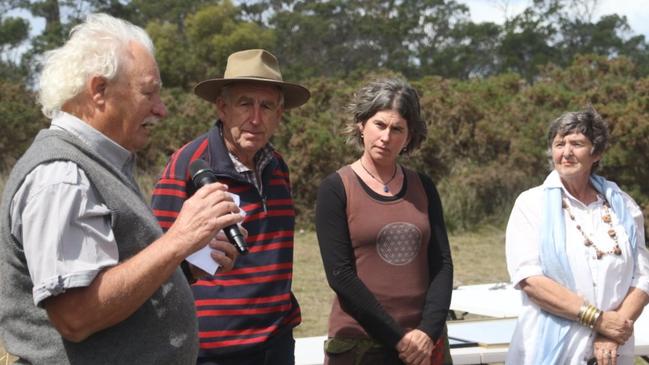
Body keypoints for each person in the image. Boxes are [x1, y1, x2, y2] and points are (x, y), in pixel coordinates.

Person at [0, 13, 243, 364]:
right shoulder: (62, 176)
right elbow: (76, 316)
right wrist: (179, 239)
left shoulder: (100, 162)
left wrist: (186, 264)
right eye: (149, 93)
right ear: (99, 90)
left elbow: (114, 278)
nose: (160, 110)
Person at [151, 49, 310, 364]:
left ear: (280, 114)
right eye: (244, 104)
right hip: (212, 352)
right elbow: (156, 256)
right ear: (222, 108)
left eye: (266, 106)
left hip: (276, 345)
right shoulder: (187, 165)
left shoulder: (277, 166)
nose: (255, 118)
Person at [315, 78, 454, 365]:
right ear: (361, 124)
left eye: (397, 129)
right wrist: (398, 339)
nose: (386, 137)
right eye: (379, 125)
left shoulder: (423, 186)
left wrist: (427, 332)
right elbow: (340, 275)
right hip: (360, 344)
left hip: (425, 345)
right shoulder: (336, 188)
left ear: (409, 136)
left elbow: (442, 263)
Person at [505, 107, 649, 365]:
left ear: (597, 152)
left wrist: (613, 333)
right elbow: (530, 280)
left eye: (577, 143)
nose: (566, 152)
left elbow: (643, 277)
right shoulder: (530, 204)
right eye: (559, 144)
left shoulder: (624, 206)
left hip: (612, 352)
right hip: (548, 351)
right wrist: (599, 320)